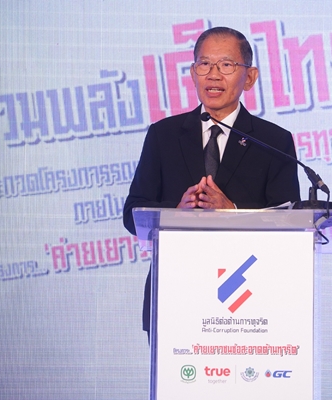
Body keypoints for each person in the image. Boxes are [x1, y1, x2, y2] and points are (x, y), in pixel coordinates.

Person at [123, 26, 301, 338]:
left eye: (226, 65)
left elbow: (289, 224)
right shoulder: (163, 135)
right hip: (176, 297)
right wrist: (177, 213)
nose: (213, 75)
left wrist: (233, 212)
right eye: (204, 64)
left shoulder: (273, 141)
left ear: (250, 77)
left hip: (249, 302)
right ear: (193, 74)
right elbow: (132, 213)